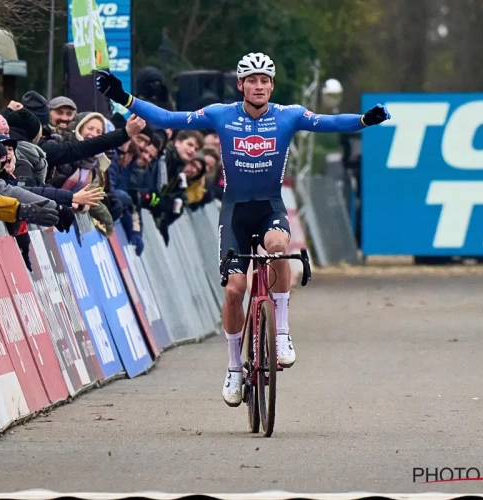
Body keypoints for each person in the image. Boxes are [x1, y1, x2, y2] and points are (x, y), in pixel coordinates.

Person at [96, 52, 391, 407]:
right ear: (241, 85)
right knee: (235, 290)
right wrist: (122, 97)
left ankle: (281, 333)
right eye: (252, 79)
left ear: (272, 85)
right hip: (234, 212)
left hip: (269, 207)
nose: (259, 85)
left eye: (265, 80)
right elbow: (167, 117)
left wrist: (364, 120)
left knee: (279, 246)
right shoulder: (222, 114)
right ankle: (235, 368)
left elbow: (331, 122)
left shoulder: (289, 115)